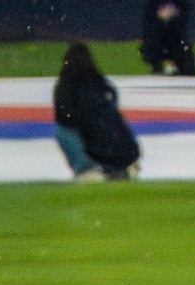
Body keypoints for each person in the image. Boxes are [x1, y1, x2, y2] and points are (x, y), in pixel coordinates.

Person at [53, 42, 140, 182]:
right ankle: (123, 167)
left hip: (98, 152)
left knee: (62, 130)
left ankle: (87, 170)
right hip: (127, 153)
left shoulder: (65, 89)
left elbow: (65, 119)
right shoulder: (103, 85)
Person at [140, 0, 195, 76]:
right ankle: (159, 68)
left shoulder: (180, 6)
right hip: (158, 43)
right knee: (153, 47)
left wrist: (174, 15)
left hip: (176, 43)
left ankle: (180, 68)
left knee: (184, 51)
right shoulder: (153, 6)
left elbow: (181, 28)